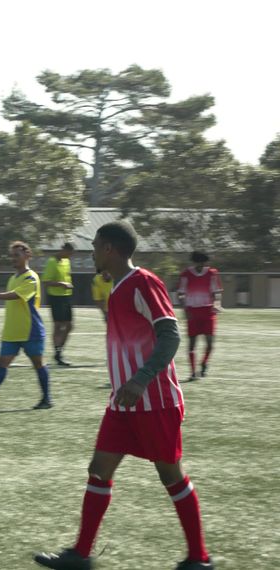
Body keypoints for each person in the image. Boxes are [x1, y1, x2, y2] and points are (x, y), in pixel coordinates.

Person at [34, 221, 211, 570]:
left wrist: (141, 379)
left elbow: (170, 335)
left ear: (109, 249)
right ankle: (80, 554)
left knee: (171, 476)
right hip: (123, 402)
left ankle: (199, 558)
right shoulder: (115, 287)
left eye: (95, 247)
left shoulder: (143, 282)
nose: (92, 253)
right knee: (99, 469)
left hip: (155, 401)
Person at [0, 241, 52, 410]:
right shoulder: (13, 278)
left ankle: (46, 399)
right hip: (12, 330)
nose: (13, 258)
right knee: (2, 364)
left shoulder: (31, 277)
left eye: (17, 255)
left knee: (38, 364)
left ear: (27, 255)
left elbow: (17, 295)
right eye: (12, 256)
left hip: (30, 330)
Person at [176, 252, 222, 380]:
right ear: (194, 262)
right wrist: (185, 309)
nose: (201, 265)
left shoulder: (212, 273)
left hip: (208, 311)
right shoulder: (186, 274)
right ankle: (193, 372)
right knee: (192, 344)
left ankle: (204, 363)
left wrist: (217, 304)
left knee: (210, 343)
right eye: (199, 262)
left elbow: (217, 292)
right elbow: (180, 293)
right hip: (192, 311)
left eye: (203, 262)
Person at [42, 242, 76, 366]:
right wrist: (61, 284)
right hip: (55, 297)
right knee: (58, 325)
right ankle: (58, 353)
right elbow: (46, 282)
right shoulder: (52, 262)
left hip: (66, 297)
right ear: (63, 250)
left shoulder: (66, 261)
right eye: (69, 253)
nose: (69, 256)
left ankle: (58, 352)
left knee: (69, 326)